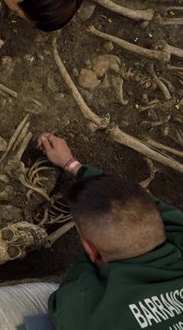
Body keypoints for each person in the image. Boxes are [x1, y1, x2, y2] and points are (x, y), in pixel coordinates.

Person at [38, 132, 183, 330]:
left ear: (91, 250)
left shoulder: (88, 313)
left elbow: (69, 296)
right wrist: (72, 165)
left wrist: (72, 164)